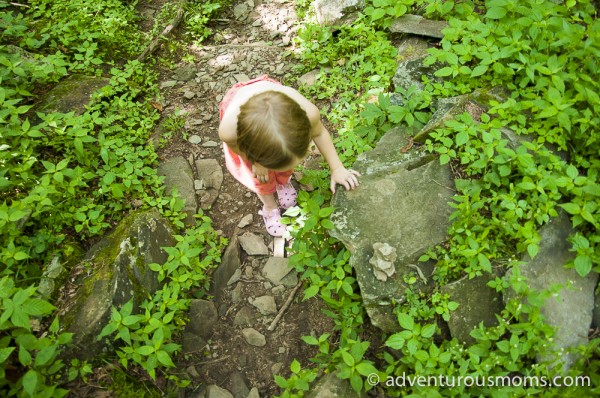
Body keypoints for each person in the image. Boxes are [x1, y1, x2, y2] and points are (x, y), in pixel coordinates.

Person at [218, 75, 360, 237]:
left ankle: (282, 183)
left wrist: (337, 167)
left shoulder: (308, 113)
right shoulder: (229, 131)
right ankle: (270, 207)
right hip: (241, 121)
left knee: (281, 158)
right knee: (258, 177)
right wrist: (256, 161)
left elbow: (319, 132)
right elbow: (238, 149)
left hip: (273, 98)